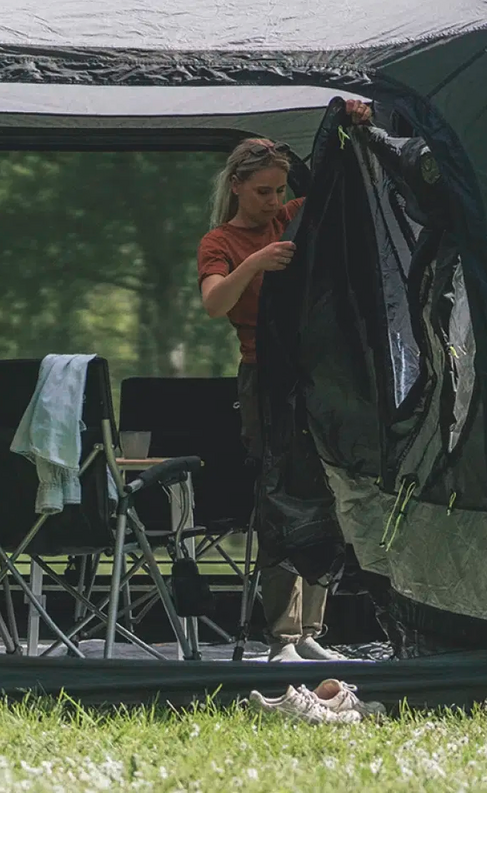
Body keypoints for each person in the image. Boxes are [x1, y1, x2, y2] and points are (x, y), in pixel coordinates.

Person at [196, 101, 374, 662]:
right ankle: (282, 637)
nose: (274, 202)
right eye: (263, 192)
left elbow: (338, 186)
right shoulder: (220, 243)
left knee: (327, 494)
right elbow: (212, 303)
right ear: (238, 188)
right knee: (279, 499)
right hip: (264, 380)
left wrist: (354, 130)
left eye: (279, 191)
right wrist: (256, 264)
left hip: (317, 377)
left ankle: (313, 632)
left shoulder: (292, 216)